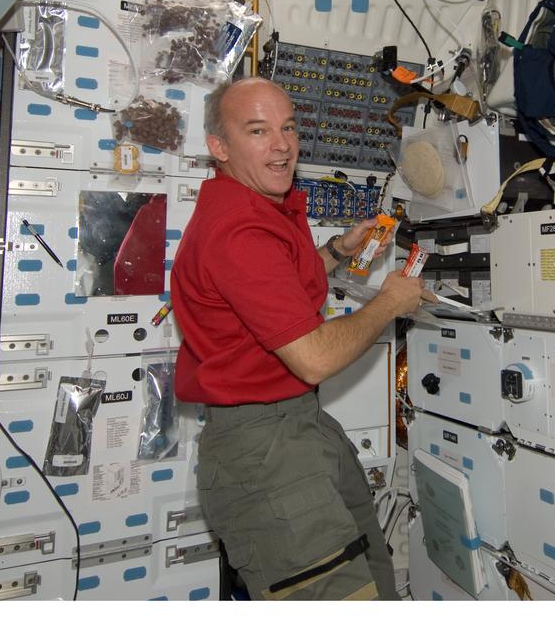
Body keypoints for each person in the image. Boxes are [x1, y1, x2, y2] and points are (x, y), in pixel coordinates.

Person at [171, 77, 427, 601]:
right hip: (265, 452)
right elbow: (313, 357)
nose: (282, 145)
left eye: (288, 128)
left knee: (376, 582)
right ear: (220, 147)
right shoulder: (239, 229)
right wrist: (389, 303)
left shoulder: (258, 206)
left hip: (300, 428)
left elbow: (275, 289)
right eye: (258, 131)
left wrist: (337, 250)